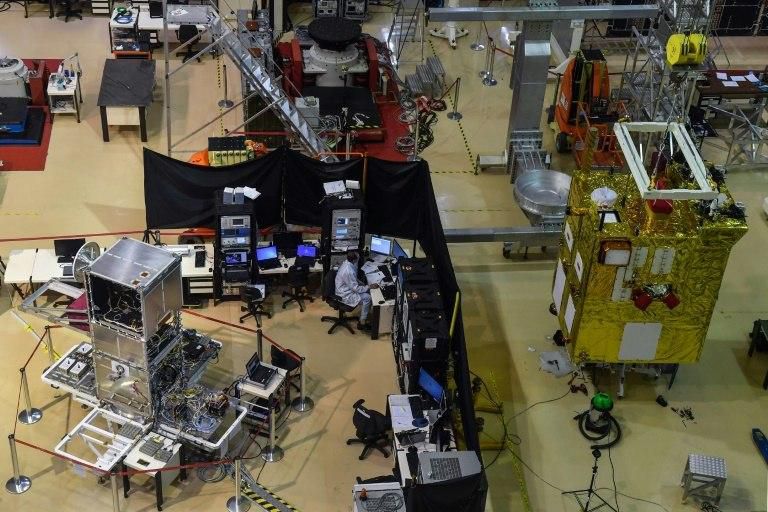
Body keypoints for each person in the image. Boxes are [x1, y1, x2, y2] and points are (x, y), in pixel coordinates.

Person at [335, 250, 378, 331]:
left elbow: (353, 279)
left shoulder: (347, 263)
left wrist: (361, 283)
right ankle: (362, 322)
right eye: (358, 258)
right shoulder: (348, 271)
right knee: (368, 298)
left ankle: (364, 318)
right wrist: (369, 287)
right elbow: (356, 288)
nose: (359, 259)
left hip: (345, 288)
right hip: (345, 294)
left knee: (366, 290)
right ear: (354, 260)